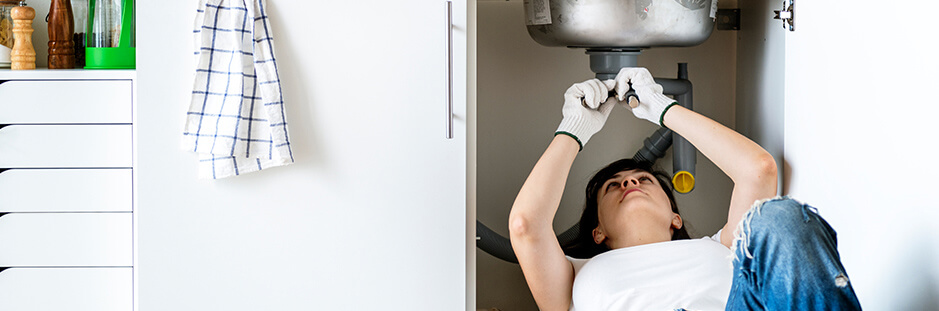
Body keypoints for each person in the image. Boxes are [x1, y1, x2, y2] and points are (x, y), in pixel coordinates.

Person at [508, 67, 862, 311]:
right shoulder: (573, 276)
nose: (630, 182)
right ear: (597, 231)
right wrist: (574, 129)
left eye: (644, 180)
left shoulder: (723, 247)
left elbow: (759, 170)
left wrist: (664, 109)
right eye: (613, 187)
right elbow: (526, 226)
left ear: (675, 217)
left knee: (779, 216)